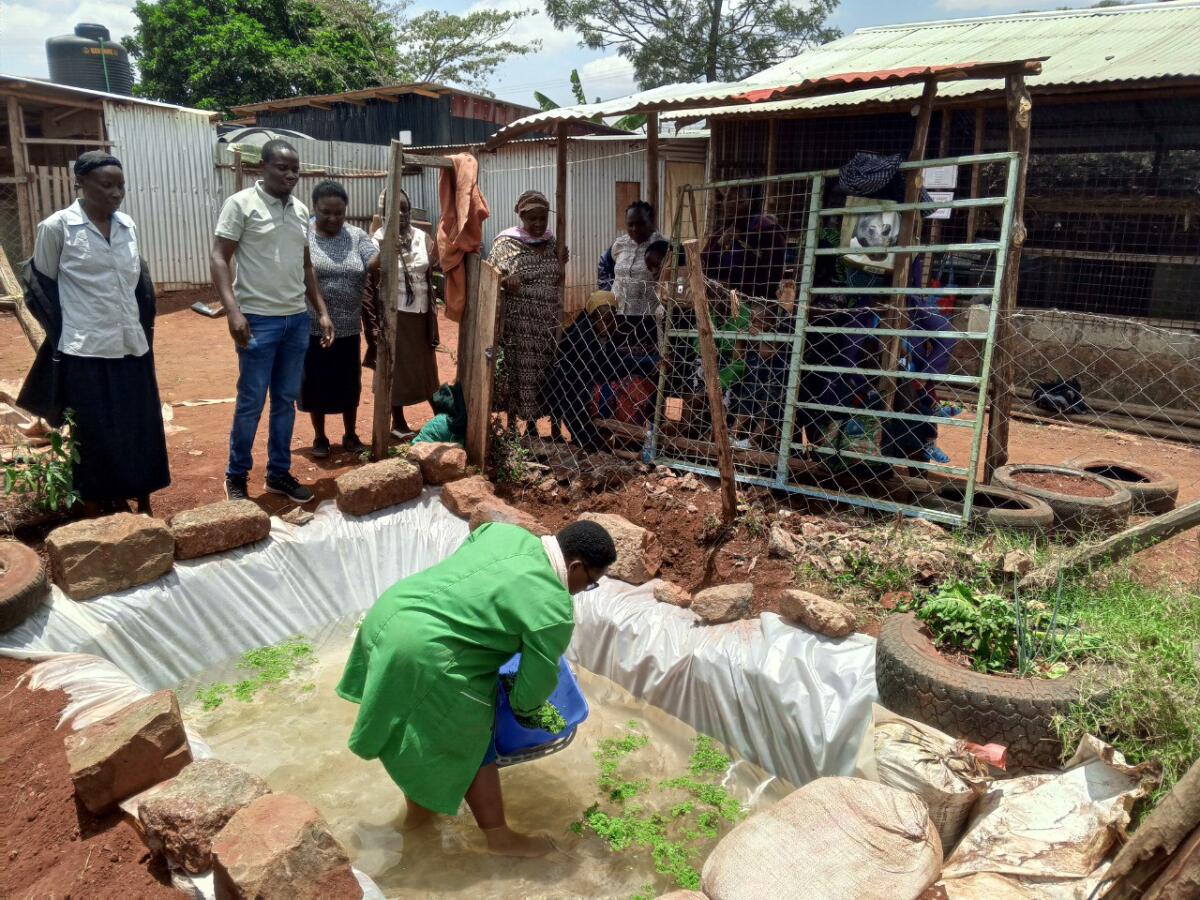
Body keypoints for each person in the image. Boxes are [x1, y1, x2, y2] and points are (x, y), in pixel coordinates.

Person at [337, 519, 617, 858]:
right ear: (575, 566)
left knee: (424, 730)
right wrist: (529, 713)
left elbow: (474, 596)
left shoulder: (502, 532)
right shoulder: (555, 608)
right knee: (470, 738)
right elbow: (532, 690)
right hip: (427, 654)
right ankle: (499, 838)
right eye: (589, 583)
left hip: (390, 616)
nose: (581, 591)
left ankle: (417, 819)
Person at [21, 151, 170, 513]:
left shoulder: (127, 226)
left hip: (130, 343)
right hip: (86, 347)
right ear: (81, 184)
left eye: (121, 185)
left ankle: (143, 496)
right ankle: (107, 502)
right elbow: (41, 287)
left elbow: (137, 282)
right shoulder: (57, 227)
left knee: (140, 423)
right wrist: (65, 330)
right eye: (107, 185)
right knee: (98, 430)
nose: (116, 193)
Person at [211, 139, 334, 503]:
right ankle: (236, 476)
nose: (291, 174)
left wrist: (322, 311)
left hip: (295, 320)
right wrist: (233, 311)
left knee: (284, 400)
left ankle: (278, 473)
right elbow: (219, 258)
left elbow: (306, 265)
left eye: (295, 168)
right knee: (251, 400)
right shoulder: (240, 205)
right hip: (257, 321)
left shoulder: (299, 211)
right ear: (261, 167)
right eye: (282, 167)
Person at [301, 180, 380, 457]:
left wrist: (383, 254)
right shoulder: (305, 236)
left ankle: (350, 434)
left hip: (348, 327)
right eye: (326, 212)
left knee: (349, 384)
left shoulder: (357, 235)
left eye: (339, 213)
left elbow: (372, 261)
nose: (333, 218)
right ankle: (320, 437)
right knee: (316, 383)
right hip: (313, 326)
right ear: (315, 209)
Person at [488, 190, 566, 438]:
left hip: (548, 325)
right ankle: (513, 426)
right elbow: (491, 273)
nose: (539, 224)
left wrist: (562, 259)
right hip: (520, 326)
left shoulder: (554, 242)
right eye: (532, 219)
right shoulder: (505, 243)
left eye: (543, 218)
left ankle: (535, 427)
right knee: (519, 375)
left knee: (547, 374)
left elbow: (556, 274)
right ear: (521, 216)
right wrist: (505, 280)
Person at [540, 291, 658, 454]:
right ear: (592, 317)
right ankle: (589, 440)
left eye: (610, 319)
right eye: (601, 319)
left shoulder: (603, 334)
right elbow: (604, 368)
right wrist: (643, 364)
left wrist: (646, 362)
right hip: (570, 385)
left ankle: (613, 438)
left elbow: (614, 359)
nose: (606, 324)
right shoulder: (582, 335)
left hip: (584, 381)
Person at [372, 189, 440, 440]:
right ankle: (398, 422)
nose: (401, 214)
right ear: (383, 212)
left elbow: (433, 266)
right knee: (396, 367)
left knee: (426, 366)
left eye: (405, 209)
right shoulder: (377, 240)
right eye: (394, 209)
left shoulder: (423, 237)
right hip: (394, 314)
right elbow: (373, 278)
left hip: (422, 312)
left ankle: (439, 415)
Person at [597, 201, 667, 349]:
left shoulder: (664, 245)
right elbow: (605, 265)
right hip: (619, 316)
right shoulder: (620, 244)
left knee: (645, 359)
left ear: (651, 221)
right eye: (630, 224)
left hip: (649, 318)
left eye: (640, 223)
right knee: (616, 357)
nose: (635, 229)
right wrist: (608, 292)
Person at [702, 186, 787, 301]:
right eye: (727, 199)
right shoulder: (721, 233)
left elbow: (773, 274)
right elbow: (702, 266)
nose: (730, 204)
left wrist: (745, 240)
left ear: (752, 204)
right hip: (720, 299)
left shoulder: (768, 230)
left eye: (740, 200)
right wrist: (720, 244)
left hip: (755, 300)